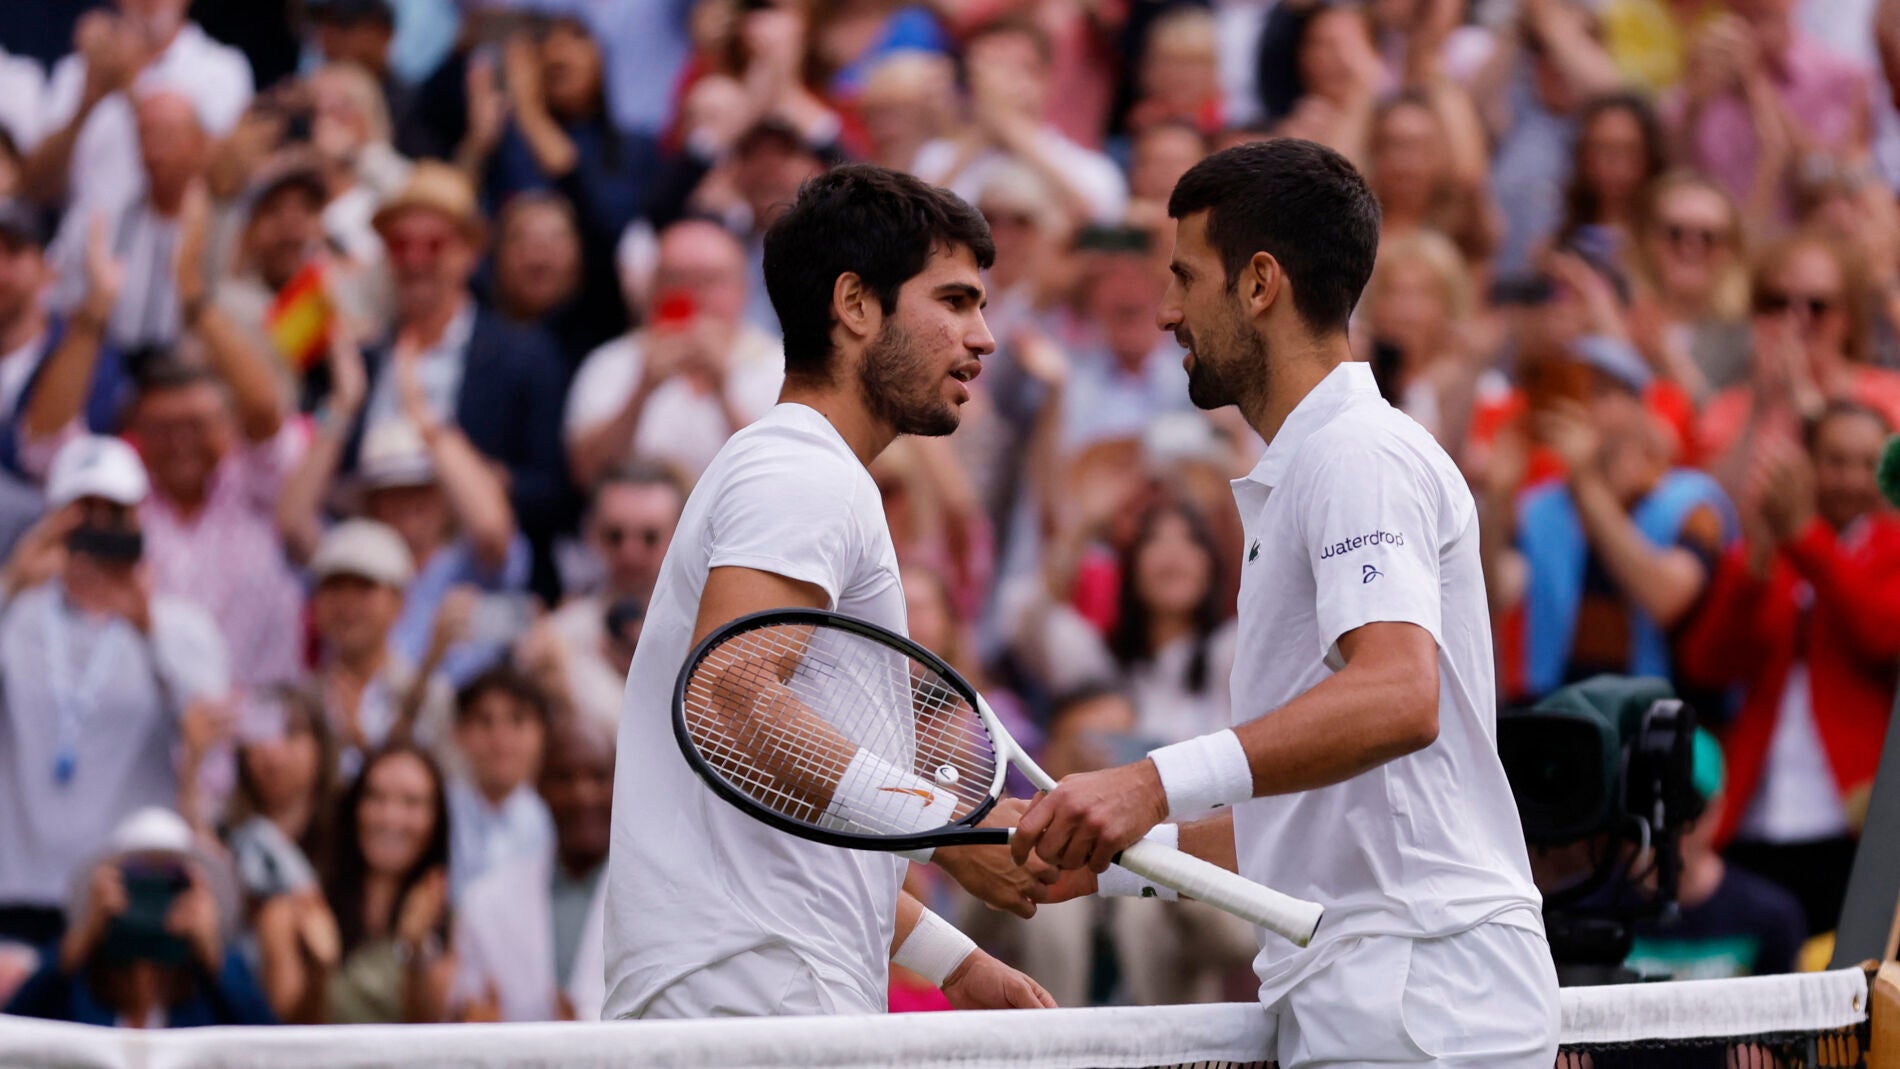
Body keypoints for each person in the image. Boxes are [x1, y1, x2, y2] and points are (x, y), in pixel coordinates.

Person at [1015, 140, 1559, 1068]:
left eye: (1185, 277)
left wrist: (1146, 780)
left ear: (1259, 283)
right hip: (1391, 990)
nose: (1165, 312)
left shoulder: (1355, 454)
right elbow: (1309, 830)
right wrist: (1116, 853)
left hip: (1417, 994)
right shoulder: (1325, 461)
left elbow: (1399, 695)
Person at [602, 164, 1055, 1020]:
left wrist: (953, 960)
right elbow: (729, 699)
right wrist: (948, 830)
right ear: (855, 305)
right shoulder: (800, 469)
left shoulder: (796, 467)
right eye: (955, 301)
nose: (984, 335)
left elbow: (786, 818)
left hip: (753, 987)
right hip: (754, 998)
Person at [1677, 401, 1900, 935]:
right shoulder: (1769, 548)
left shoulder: (1891, 546)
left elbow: (1880, 634)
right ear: (1807, 465)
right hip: (1756, 818)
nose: (1849, 479)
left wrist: (1804, 536)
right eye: (1834, 460)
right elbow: (1708, 666)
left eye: (1867, 463)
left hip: (1854, 826)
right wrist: (1755, 565)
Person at [0, 435, 231, 947]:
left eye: (117, 513)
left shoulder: (180, 625)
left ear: (140, 522)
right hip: (14, 888)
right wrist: (14, 577)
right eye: (85, 512)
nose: (101, 529)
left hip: (128, 890)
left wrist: (148, 628)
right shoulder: (17, 615)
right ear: (55, 520)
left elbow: (207, 729)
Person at [3, 806, 274, 1027]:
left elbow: (267, 1047)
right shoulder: (76, 987)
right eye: (138, 879)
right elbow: (15, 1032)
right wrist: (82, 939)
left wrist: (214, 954)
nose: (152, 897)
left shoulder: (211, 993)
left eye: (170, 882)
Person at [565, 218, 785, 485]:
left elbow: (782, 477)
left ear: (742, 288)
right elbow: (585, 474)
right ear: (653, 288)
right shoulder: (612, 362)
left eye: (709, 280)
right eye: (676, 279)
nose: (693, 295)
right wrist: (642, 390)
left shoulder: (781, 365)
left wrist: (723, 394)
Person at [252, 742, 454, 1024]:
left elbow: (430, 1038)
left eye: (412, 802)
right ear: (354, 808)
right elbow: (290, 1036)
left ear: (437, 820)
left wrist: (417, 951)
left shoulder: (449, 920)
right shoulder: (293, 913)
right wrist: (319, 971)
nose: (390, 817)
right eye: (376, 797)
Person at [450, 713, 613, 1022]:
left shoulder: (665, 897)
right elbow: (467, 1013)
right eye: (564, 778)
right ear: (539, 788)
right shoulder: (484, 902)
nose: (582, 795)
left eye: (599, 777)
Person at [1624, 730, 1807, 979]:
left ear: (1717, 810)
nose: (1671, 824)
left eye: (1688, 805)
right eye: (1655, 802)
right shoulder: (1590, 910)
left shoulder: (1770, 917)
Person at [303, 519, 455, 780]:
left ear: (400, 603)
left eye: (364, 588)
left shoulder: (432, 696)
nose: (347, 604)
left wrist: (360, 741)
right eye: (334, 587)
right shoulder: (303, 697)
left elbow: (442, 795)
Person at [537, 463, 684, 729]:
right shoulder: (557, 637)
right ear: (591, 533)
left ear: (681, 537)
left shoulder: (705, 629)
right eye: (615, 536)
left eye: (650, 537)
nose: (631, 552)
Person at [445, 666, 554, 899]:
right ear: (458, 732)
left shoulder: (559, 819)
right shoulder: (436, 811)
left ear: (543, 733)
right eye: (485, 722)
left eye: (517, 721)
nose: (500, 738)